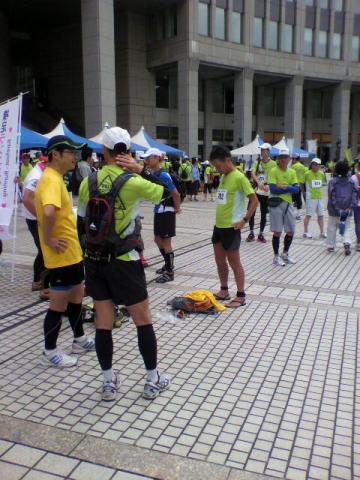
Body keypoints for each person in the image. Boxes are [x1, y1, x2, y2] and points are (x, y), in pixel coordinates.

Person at [77, 127, 171, 401]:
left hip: (95, 261)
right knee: (143, 320)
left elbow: (81, 222)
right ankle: (152, 380)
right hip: (125, 261)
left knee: (104, 322)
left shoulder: (88, 182)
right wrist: (141, 169)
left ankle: (108, 382)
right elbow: (168, 191)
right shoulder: (134, 181)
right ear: (127, 152)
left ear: (103, 151)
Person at [35, 135, 95, 368]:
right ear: (55, 155)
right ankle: (49, 351)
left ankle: (78, 339)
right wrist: (48, 238)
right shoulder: (50, 179)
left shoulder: (58, 178)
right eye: (70, 152)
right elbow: (48, 212)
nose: (75, 157)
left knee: (77, 296)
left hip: (71, 253)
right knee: (58, 304)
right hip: (60, 256)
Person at [209, 146, 258, 308]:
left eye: (218, 166)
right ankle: (224, 290)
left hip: (232, 228)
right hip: (218, 227)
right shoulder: (224, 177)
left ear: (228, 160)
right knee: (219, 261)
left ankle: (241, 295)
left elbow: (254, 200)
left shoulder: (239, 178)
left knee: (234, 262)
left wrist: (244, 219)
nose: (217, 169)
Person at [140, 147, 181, 283]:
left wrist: (177, 208)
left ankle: (170, 272)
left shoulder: (163, 175)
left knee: (166, 242)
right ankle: (167, 264)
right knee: (158, 240)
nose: (146, 160)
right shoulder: (154, 173)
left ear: (157, 158)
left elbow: (175, 193)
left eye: (149, 157)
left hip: (166, 211)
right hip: (159, 210)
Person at [22, 158, 50, 300]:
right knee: (43, 250)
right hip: (34, 219)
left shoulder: (40, 173)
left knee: (43, 249)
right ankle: (39, 282)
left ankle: (39, 281)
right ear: (44, 164)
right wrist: (40, 216)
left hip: (34, 218)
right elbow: (26, 198)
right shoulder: (36, 175)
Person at [268, 148, 299, 266]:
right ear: (278, 159)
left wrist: (285, 187)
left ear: (289, 159)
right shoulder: (273, 171)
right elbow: (273, 189)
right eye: (281, 157)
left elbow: (296, 190)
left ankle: (285, 254)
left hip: (288, 204)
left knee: (291, 230)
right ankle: (276, 257)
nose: (283, 159)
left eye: (286, 157)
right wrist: (288, 187)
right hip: (276, 203)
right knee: (277, 231)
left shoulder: (292, 172)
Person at [247, 143, 276, 243]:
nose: (262, 152)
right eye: (261, 150)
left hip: (266, 191)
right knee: (251, 211)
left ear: (268, 151)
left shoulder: (273, 164)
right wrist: (258, 183)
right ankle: (251, 233)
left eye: (264, 150)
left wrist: (268, 185)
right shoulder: (257, 161)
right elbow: (252, 173)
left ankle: (261, 234)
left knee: (264, 213)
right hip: (256, 190)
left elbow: (275, 176)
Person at [326, 160, 357, 255]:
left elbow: (332, 196)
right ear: (347, 170)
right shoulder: (351, 181)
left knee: (332, 227)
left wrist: (337, 208)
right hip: (347, 209)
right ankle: (347, 242)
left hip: (334, 210)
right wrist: (350, 207)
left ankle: (331, 246)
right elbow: (354, 195)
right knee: (346, 227)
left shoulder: (332, 181)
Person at [303, 158, 327, 239]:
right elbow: (301, 183)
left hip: (319, 197)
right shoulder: (307, 173)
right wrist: (304, 192)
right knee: (308, 215)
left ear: (320, 166)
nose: (315, 166)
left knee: (321, 215)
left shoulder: (321, 174)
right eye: (313, 164)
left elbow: (322, 184)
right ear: (311, 165)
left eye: (317, 165)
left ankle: (322, 232)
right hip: (311, 197)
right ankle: (305, 232)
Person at [291, 154, 307, 220]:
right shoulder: (303, 167)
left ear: (295, 159)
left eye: (293, 159)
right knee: (298, 200)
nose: (292, 160)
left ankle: (292, 214)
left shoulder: (293, 167)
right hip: (301, 185)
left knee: (291, 200)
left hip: (294, 185)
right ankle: (298, 214)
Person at [351, 161, 360, 251]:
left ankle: (359, 243)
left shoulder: (354, 177)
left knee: (358, 223)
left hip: (357, 203)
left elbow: (350, 190)